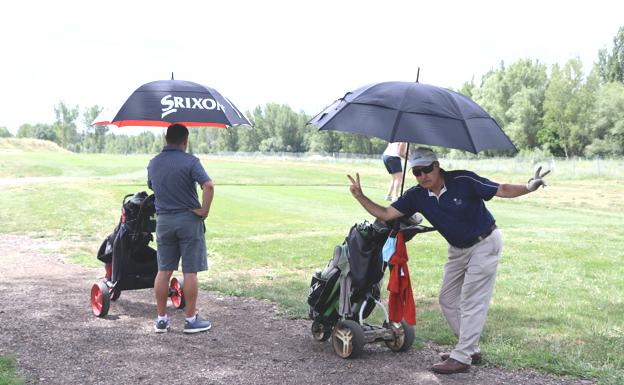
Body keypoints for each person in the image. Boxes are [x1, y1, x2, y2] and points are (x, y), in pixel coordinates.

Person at [347, 147, 549, 374]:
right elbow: (385, 214)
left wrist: (528, 187)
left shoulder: (463, 179)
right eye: (417, 172)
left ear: (437, 165)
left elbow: (500, 189)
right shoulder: (416, 195)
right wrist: (360, 196)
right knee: (447, 298)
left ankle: (462, 356)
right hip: (458, 249)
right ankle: (469, 348)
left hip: (485, 243)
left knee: (472, 300)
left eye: (426, 169)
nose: (423, 176)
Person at [147, 123, 215, 334]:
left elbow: (151, 185)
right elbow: (209, 185)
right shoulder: (191, 161)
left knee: (163, 271)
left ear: (166, 140)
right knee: (190, 271)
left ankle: (161, 320)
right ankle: (191, 320)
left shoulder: (154, 163)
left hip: (164, 221)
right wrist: (204, 210)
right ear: (185, 141)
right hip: (188, 220)